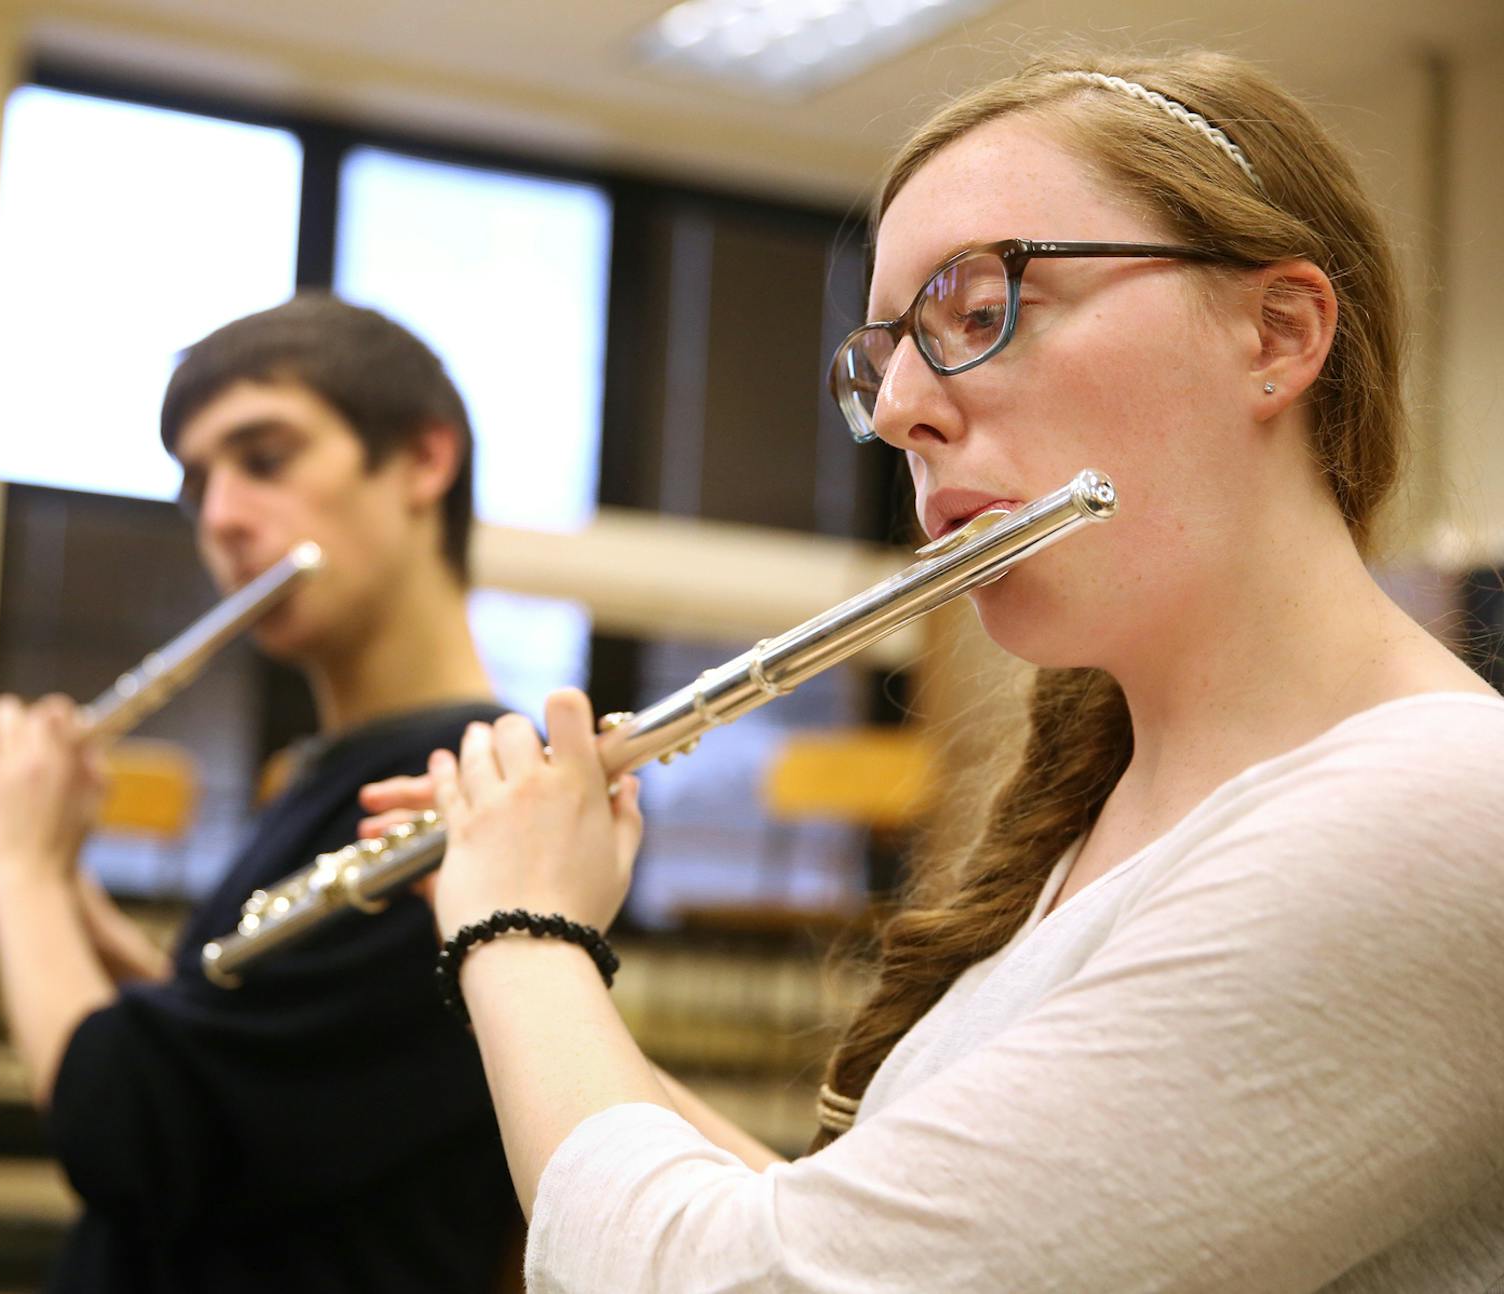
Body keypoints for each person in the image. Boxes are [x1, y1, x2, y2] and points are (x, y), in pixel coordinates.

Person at [366, 50, 1504, 1292]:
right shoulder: (1118, 817)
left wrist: (519, 934)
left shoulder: (1439, 812)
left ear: (1276, 333)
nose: (902, 402)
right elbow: (841, 1239)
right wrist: (531, 918)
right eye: (886, 354)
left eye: (978, 311)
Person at [0, 295, 524, 1291]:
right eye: (197, 485)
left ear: (425, 461)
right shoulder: (323, 770)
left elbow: (131, 1137)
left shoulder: (471, 794)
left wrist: (18, 880)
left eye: (264, 459)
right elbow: (243, 1057)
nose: (218, 516)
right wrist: (61, 883)